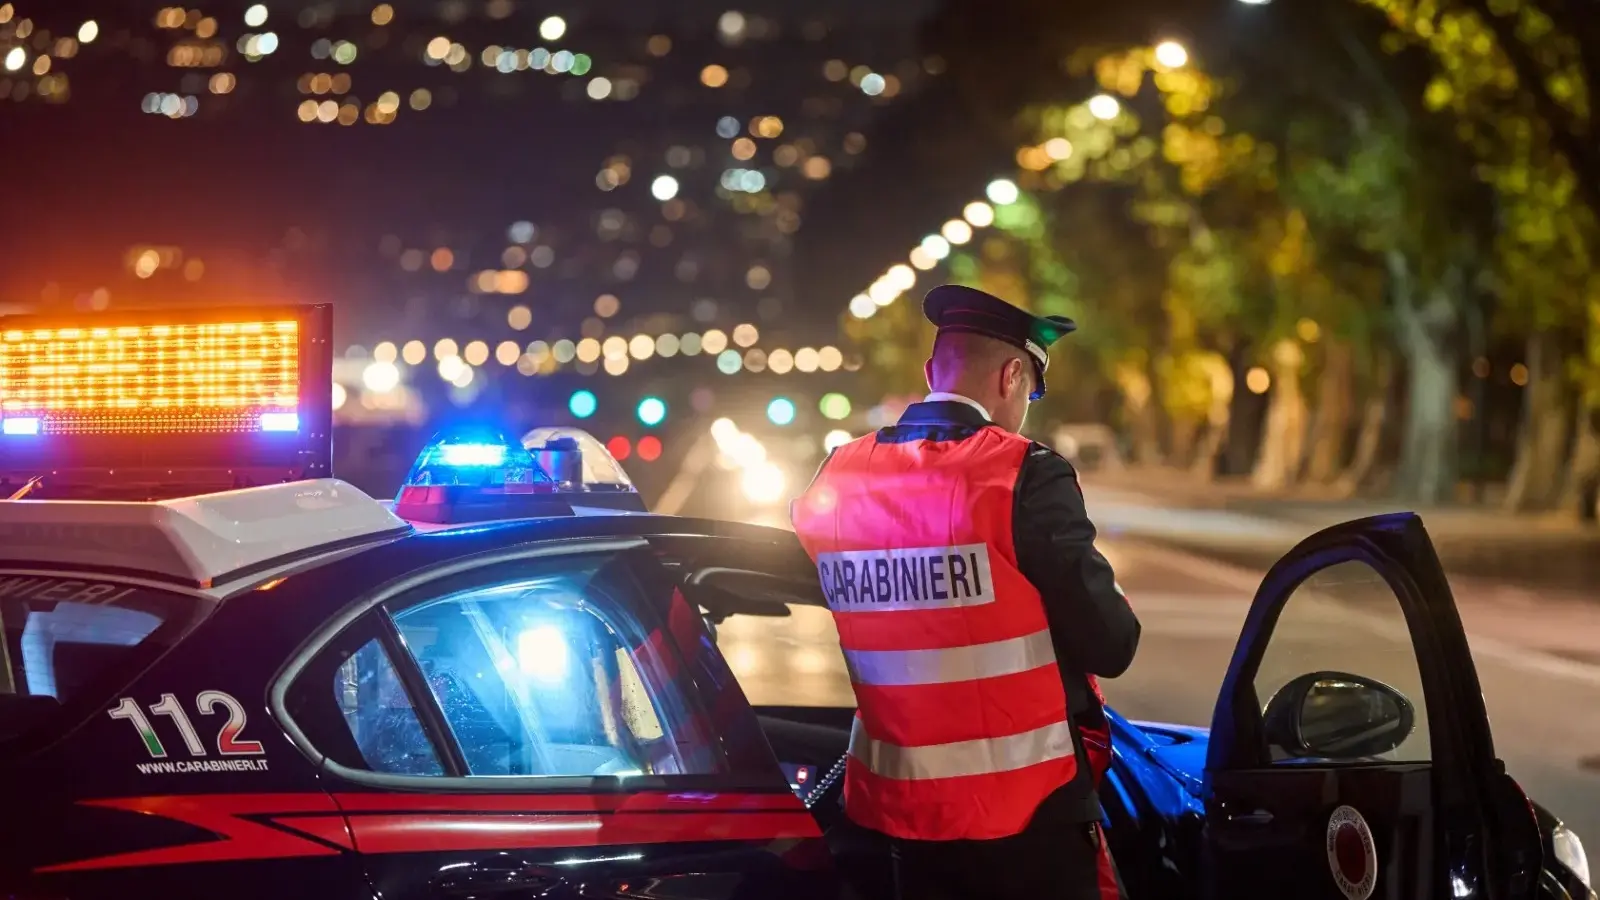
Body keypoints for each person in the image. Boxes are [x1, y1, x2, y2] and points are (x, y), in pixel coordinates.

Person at [790, 284, 1141, 900]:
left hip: (896, 823)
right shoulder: (1022, 473)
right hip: (1028, 822)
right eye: (1031, 390)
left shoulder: (838, 476)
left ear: (931, 372)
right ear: (1011, 376)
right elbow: (1111, 643)